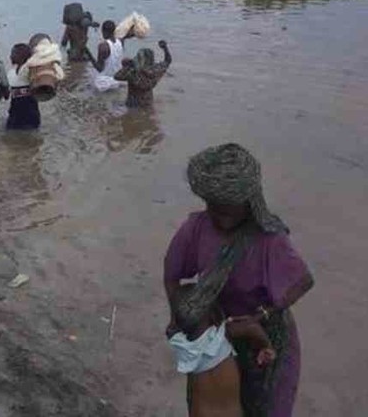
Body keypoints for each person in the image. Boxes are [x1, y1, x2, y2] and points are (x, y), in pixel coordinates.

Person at [164, 143, 314, 416]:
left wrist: (262, 315)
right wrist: (179, 319)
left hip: (264, 330)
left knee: (265, 408)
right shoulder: (196, 228)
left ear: (248, 202)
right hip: (214, 329)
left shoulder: (269, 238)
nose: (218, 216)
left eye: (226, 210)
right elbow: (172, 276)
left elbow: (302, 280)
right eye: (213, 207)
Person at [168, 284, 278, 417]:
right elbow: (252, 327)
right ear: (212, 312)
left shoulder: (180, 344)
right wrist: (266, 346)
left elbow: (171, 329)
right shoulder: (223, 334)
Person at [115, 40, 172, 108]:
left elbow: (117, 76)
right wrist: (165, 48)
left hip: (132, 105)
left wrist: (127, 66)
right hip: (147, 104)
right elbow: (168, 61)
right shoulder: (156, 70)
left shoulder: (133, 72)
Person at [84, 20, 127, 92]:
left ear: (104, 31)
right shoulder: (121, 42)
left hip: (102, 83)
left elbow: (99, 68)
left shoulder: (103, 46)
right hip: (116, 81)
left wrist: (88, 53)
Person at [6, 43, 40, 130]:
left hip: (29, 109)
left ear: (22, 56)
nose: (10, 56)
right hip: (15, 109)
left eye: (13, 54)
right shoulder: (12, 72)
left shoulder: (29, 70)